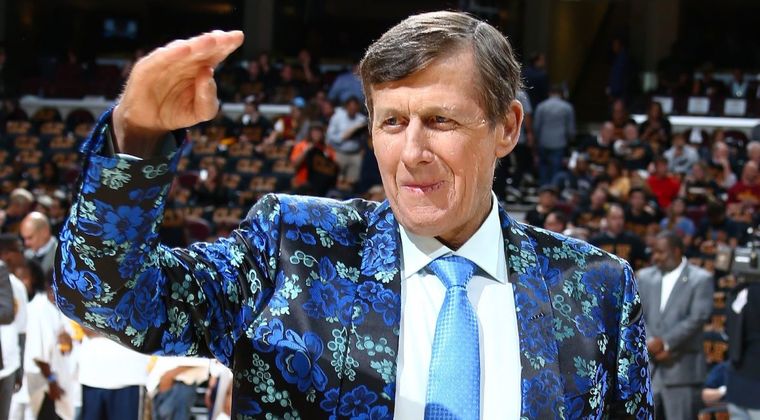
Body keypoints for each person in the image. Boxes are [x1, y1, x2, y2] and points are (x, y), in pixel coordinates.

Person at [54, 12, 653, 419]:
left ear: (508, 127)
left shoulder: (594, 289)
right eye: (392, 122)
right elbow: (109, 300)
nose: (412, 151)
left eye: (440, 121)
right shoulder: (293, 248)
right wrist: (137, 141)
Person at [637, 231, 714, 420]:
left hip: (682, 371)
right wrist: (650, 342)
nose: (655, 257)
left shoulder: (701, 279)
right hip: (648, 371)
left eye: (661, 252)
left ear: (677, 251)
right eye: (654, 252)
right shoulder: (644, 277)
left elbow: (698, 317)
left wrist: (665, 343)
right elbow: (636, 314)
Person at [533, 84, 576, 186]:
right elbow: (570, 128)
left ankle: (543, 187)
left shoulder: (541, 106)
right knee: (556, 168)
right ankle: (553, 188)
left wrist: (536, 139)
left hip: (543, 141)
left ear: (549, 93)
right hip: (560, 142)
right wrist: (570, 139)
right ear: (561, 94)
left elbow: (536, 126)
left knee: (543, 167)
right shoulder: (567, 107)